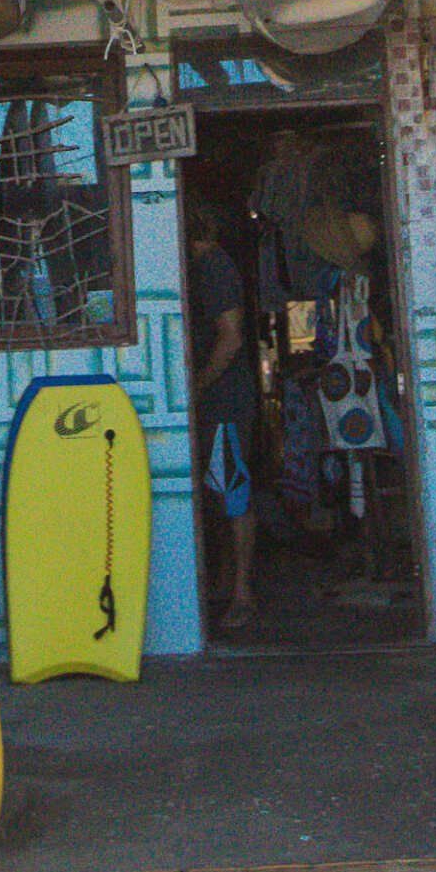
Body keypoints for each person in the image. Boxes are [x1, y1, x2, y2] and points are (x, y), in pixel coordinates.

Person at [186, 193, 258, 633]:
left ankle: (243, 595)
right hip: (222, 399)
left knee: (233, 491)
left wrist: (197, 386)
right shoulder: (210, 267)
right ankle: (229, 583)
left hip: (225, 400)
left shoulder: (213, 268)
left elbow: (230, 339)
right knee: (222, 490)